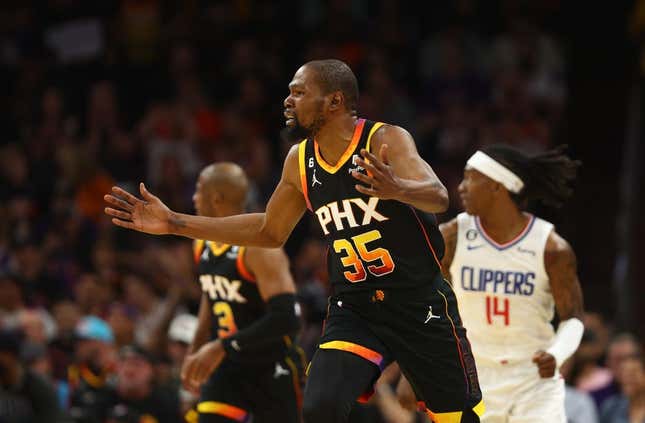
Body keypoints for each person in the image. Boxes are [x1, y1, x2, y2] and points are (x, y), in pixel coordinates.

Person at [105, 59, 483, 422]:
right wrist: (174, 222)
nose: (288, 100)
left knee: (458, 418)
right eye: (289, 92)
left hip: (418, 301)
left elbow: (438, 196)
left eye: (300, 92)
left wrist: (399, 187)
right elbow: (269, 230)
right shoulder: (299, 160)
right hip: (355, 308)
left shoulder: (384, 138)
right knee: (320, 406)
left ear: (335, 101)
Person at [399, 144, 584, 422]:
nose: (460, 187)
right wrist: (413, 369)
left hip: (533, 380)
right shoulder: (451, 237)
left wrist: (556, 353)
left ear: (498, 186)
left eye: (471, 178)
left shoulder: (551, 248)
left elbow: (574, 318)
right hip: (470, 376)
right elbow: (428, 305)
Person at [181, 163, 304, 422]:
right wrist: (194, 350)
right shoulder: (200, 243)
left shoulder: (259, 248)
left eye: (198, 190)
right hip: (227, 368)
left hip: (269, 365)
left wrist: (221, 346)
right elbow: (211, 296)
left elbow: (287, 318)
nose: (193, 198)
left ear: (215, 198)